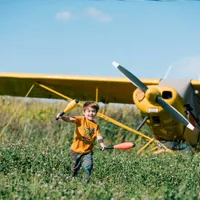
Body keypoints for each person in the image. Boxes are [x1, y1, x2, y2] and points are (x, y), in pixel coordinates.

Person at [56, 101, 106, 182]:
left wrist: (102, 144)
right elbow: (69, 119)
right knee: (75, 167)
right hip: (75, 151)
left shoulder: (96, 126)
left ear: (96, 113)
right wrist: (62, 117)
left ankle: (85, 182)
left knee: (88, 166)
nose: (91, 113)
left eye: (93, 111)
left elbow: (99, 136)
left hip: (87, 152)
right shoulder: (80, 119)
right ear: (84, 112)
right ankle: (73, 178)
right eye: (89, 111)